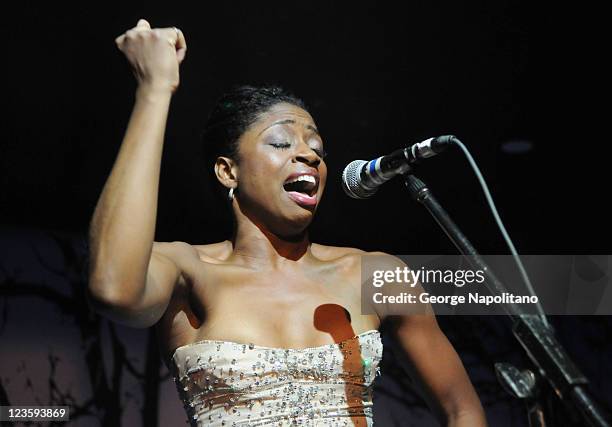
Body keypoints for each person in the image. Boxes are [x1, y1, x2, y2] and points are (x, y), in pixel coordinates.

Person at [86, 18, 488, 427]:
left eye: (317, 148)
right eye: (281, 143)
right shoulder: (189, 272)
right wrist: (154, 91)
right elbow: (114, 288)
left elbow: (462, 410)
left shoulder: (374, 274)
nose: (309, 155)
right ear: (228, 172)